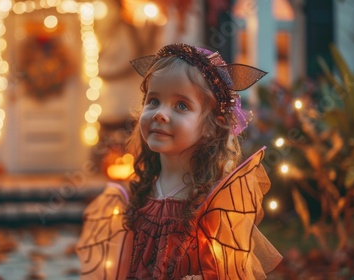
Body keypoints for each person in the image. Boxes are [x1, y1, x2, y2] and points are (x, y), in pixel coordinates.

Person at [76, 43, 283, 279]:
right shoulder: (137, 193)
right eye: (153, 101)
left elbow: (225, 269)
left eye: (181, 105)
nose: (160, 113)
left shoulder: (213, 202)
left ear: (209, 126)